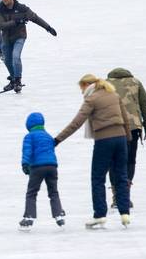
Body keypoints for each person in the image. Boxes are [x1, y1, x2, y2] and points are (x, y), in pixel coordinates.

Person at [54, 75, 132, 228]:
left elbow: (76, 122)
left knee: (98, 178)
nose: (82, 92)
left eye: (81, 88)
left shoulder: (92, 99)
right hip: (121, 138)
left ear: (87, 85)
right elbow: (125, 119)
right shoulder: (113, 95)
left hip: (104, 140)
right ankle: (125, 213)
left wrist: (57, 140)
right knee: (121, 176)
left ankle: (100, 215)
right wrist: (127, 140)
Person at [106, 68, 146, 204]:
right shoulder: (136, 82)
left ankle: (116, 195)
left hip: (111, 128)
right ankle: (125, 194)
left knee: (113, 161)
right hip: (133, 128)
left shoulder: (104, 84)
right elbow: (145, 107)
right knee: (129, 160)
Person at [0, 0, 56, 92]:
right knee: (7, 60)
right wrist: (16, 22)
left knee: (15, 57)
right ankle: (13, 79)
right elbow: (1, 25)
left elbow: (35, 18)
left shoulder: (22, 8)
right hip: (6, 38)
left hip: (19, 36)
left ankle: (18, 81)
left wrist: (48, 27)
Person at [20, 112, 64, 229]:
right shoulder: (48, 136)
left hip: (37, 167)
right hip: (52, 166)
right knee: (53, 192)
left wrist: (25, 164)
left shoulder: (29, 137)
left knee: (32, 193)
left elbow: (27, 151)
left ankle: (29, 217)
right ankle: (58, 215)